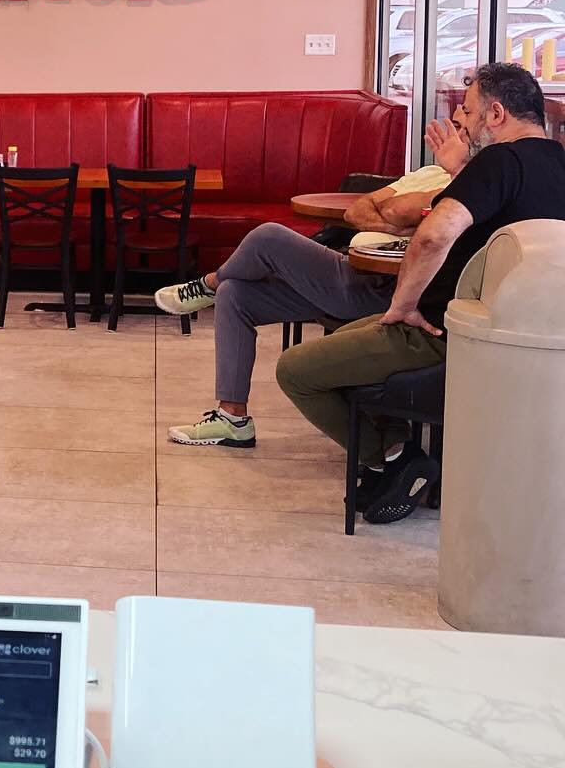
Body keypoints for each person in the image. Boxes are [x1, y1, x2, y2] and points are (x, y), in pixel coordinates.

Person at [276, 62, 565, 523]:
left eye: (467, 114)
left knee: (296, 370)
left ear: (495, 114)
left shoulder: (500, 161)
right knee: (348, 337)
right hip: (519, 341)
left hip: (442, 333)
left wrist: (404, 304)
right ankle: (396, 451)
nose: (463, 125)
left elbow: (434, 234)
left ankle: (391, 457)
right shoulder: (555, 162)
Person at [156, 112, 471, 449]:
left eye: (463, 128)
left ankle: (208, 285)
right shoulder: (426, 174)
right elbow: (358, 210)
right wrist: (400, 222)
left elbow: (406, 215)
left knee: (269, 237)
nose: (451, 135)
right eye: (452, 125)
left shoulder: (467, 187)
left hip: (392, 293)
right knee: (237, 295)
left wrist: (412, 205)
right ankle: (233, 418)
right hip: (356, 273)